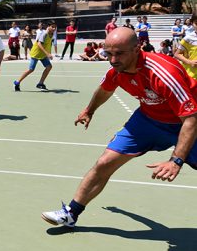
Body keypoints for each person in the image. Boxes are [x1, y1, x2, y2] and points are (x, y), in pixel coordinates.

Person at [41, 27, 197, 228]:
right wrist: (90, 110)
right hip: (147, 120)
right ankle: (71, 213)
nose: (113, 60)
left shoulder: (163, 73)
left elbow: (191, 119)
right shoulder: (117, 70)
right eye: (108, 54)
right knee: (104, 162)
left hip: (186, 122)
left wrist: (176, 161)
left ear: (137, 49)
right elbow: (105, 90)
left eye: (119, 54)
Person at [14, 21, 56, 91]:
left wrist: (48, 53)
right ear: (48, 26)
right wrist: (47, 54)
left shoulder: (52, 34)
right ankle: (17, 82)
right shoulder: (44, 34)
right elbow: (39, 44)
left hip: (42, 54)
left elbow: (48, 44)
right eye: (52, 27)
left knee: (49, 67)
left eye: (55, 27)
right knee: (31, 69)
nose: (54, 28)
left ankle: (40, 83)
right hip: (36, 53)